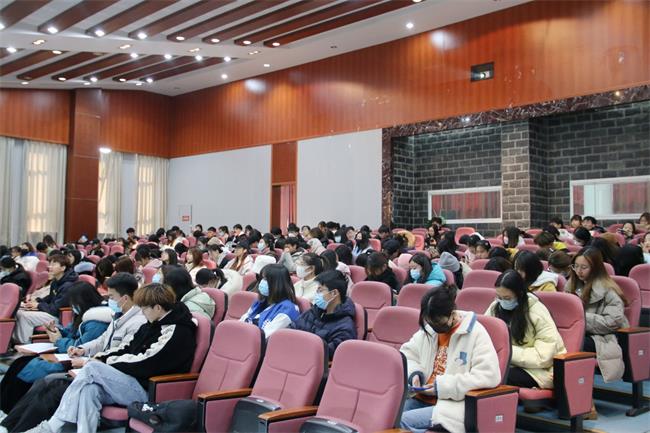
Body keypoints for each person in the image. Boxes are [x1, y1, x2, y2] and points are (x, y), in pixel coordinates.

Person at [24, 283, 197, 433]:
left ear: (158, 308)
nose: (142, 312)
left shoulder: (177, 331)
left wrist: (102, 361)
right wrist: (100, 357)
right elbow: (127, 348)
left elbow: (147, 361)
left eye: (144, 308)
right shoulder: (152, 324)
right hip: (133, 380)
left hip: (150, 388)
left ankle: (53, 426)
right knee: (89, 390)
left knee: (91, 368)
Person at [0, 273, 147, 433]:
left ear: (124, 298)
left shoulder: (136, 323)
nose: (108, 300)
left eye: (111, 297)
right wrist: (82, 349)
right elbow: (101, 341)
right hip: (93, 367)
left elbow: (122, 353)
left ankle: (24, 428)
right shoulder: (117, 317)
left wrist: (88, 358)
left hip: (108, 374)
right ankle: (9, 424)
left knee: (53, 386)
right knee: (42, 380)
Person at [399, 284, 501, 433]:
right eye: (430, 323)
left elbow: (488, 376)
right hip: (419, 397)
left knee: (399, 421)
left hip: (450, 405)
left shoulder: (476, 333)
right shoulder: (430, 329)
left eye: (438, 323)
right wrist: (415, 374)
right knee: (384, 416)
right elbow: (407, 354)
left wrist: (442, 387)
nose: (435, 328)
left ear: (453, 314)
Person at [0, 282, 112, 412]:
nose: (72, 307)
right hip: (62, 356)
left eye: (74, 303)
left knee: (28, 369)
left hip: (73, 362)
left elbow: (80, 348)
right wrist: (55, 330)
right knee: (19, 363)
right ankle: (5, 404)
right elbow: (69, 332)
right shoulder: (84, 315)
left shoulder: (97, 323)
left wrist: (58, 340)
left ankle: (10, 407)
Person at [486, 270, 566, 389]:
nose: (502, 302)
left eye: (507, 298)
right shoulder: (495, 307)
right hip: (508, 363)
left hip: (539, 370)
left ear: (520, 294)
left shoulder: (536, 311)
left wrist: (505, 352)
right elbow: (484, 336)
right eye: (499, 297)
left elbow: (543, 357)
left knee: (495, 377)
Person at [566, 248, 628, 382]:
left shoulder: (608, 290)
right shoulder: (571, 285)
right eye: (576, 266)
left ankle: (573, 385)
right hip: (581, 333)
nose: (578, 271)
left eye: (584, 267)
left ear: (595, 268)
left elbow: (612, 322)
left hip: (603, 337)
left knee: (570, 343)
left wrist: (580, 320)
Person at [290, 270, 356, 360]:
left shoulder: (345, 326)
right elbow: (292, 328)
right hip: (294, 356)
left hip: (311, 364)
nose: (316, 294)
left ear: (334, 293)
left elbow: (329, 353)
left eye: (320, 290)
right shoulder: (314, 311)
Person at [13, 255, 78, 344]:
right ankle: (15, 343)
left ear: (63, 268)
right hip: (50, 311)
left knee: (23, 316)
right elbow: (50, 298)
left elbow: (55, 309)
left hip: (58, 317)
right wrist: (37, 301)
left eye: (53, 264)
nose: (49, 267)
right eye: (50, 264)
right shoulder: (56, 281)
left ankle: (25, 344)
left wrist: (38, 305)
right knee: (19, 312)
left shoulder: (68, 286)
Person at [240, 264, 300, 339]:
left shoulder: (287, 309)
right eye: (262, 278)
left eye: (265, 279)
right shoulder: (261, 300)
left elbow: (264, 337)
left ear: (277, 283)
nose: (261, 282)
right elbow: (242, 321)